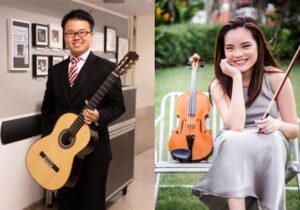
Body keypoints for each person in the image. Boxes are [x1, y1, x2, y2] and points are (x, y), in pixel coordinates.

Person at [192, 16, 299, 210]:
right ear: (222, 52)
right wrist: (235, 77)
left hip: (270, 140)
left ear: (259, 46)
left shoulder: (276, 78)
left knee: (274, 138)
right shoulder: (218, 84)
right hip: (236, 139)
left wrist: (278, 124)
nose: (237, 54)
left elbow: (294, 129)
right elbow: (236, 125)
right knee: (234, 139)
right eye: (230, 48)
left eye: (245, 46)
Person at [40, 9, 125, 210]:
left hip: (93, 152)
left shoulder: (107, 68)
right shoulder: (56, 70)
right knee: (66, 204)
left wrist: (98, 116)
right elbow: (47, 109)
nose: (76, 37)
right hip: (60, 152)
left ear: (91, 35)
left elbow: (118, 106)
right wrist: (48, 142)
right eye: (71, 33)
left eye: (82, 32)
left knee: (91, 205)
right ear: (64, 36)